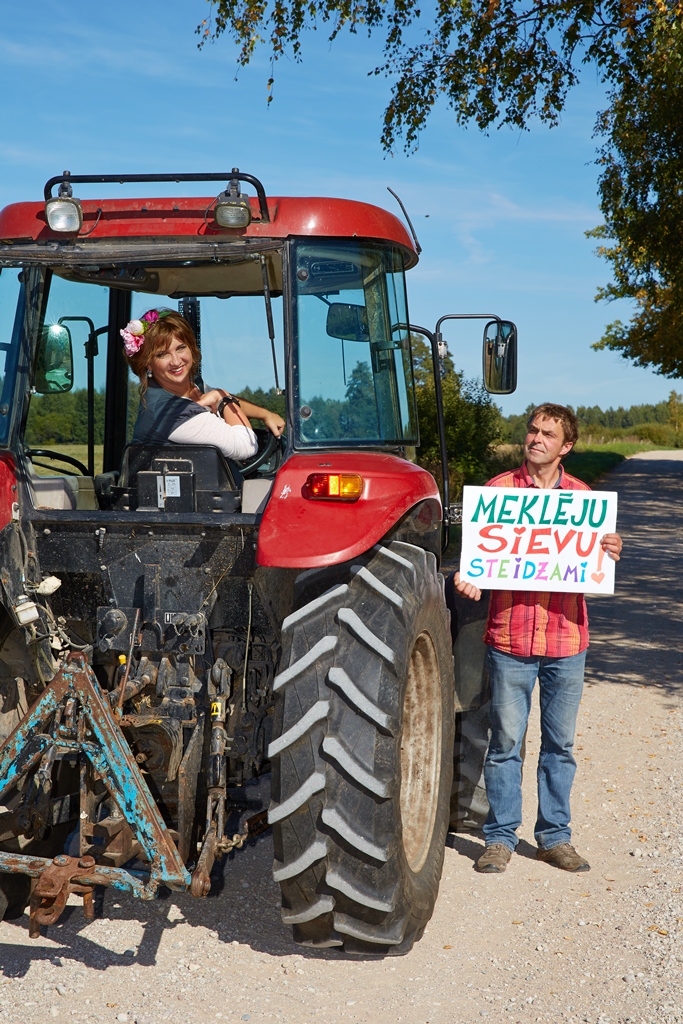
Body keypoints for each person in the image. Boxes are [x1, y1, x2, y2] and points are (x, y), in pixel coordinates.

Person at [454, 403, 623, 874]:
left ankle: (554, 837)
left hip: (567, 641)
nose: (536, 439)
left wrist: (610, 550)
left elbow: (589, 570)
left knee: (559, 745)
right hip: (509, 639)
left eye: (548, 434)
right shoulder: (498, 492)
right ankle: (500, 838)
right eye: (532, 430)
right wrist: (469, 579)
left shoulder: (584, 497)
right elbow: (479, 561)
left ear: (566, 445)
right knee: (505, 743)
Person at [122, 308, 284, 460]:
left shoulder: (189, 385)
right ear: (148, 364)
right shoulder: (169, 412)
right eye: (162, 354)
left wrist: (265, 414)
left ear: (191, 348)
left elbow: (219, 400)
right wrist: (223, 397)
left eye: (180, 348)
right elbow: (246, 446)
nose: (176, 361)